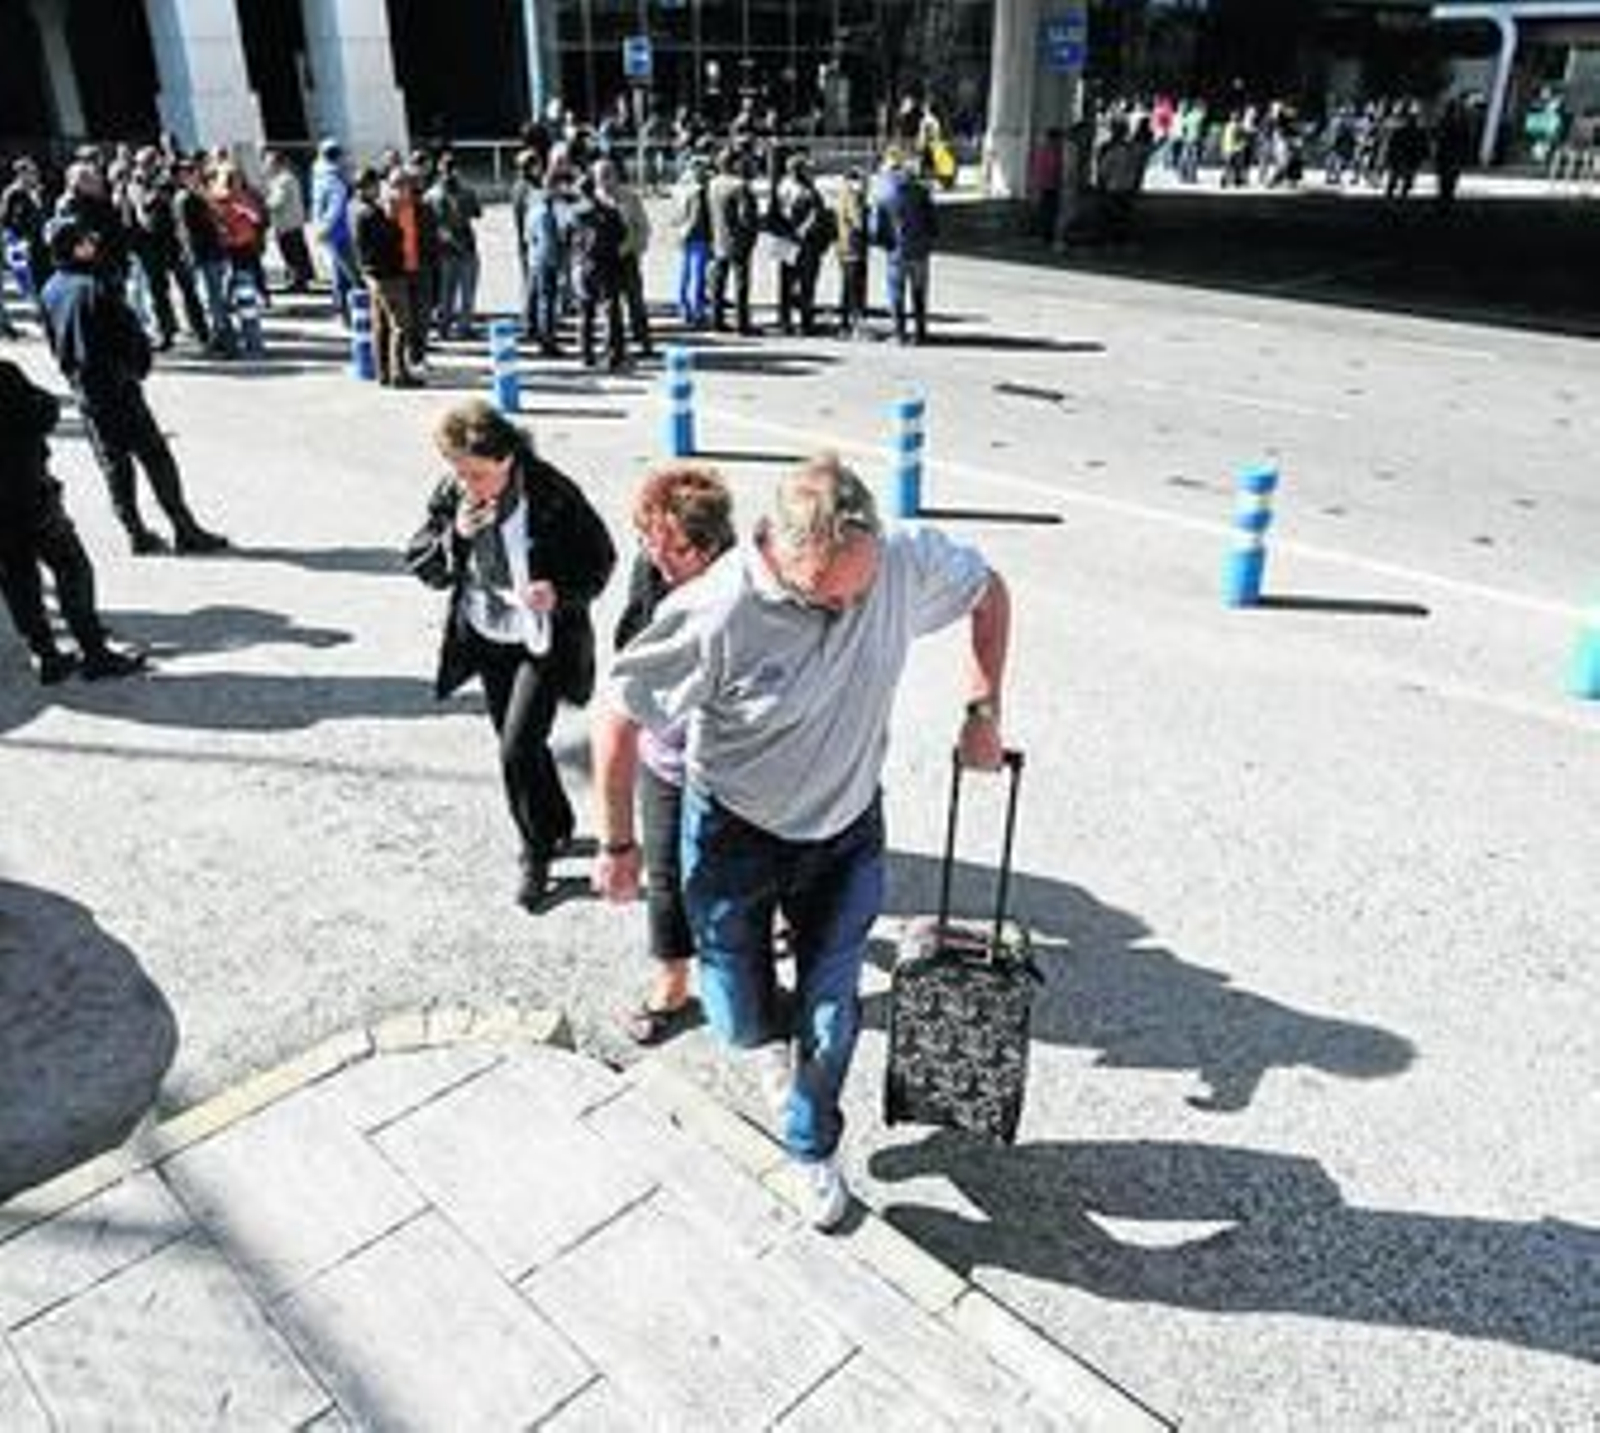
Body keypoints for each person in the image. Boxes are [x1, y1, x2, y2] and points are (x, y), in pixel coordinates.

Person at [592, 454, 1011, 1229]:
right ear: (778, 556)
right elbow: (617, 714)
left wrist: (983, 711)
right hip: (733, 836)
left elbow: (990, 591)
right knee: (738, 1018)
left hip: (847, 830)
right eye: (827, 596)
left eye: (862, 586)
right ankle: (772, 1040)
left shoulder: (899, 562)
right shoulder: (718, 610)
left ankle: (811, 1141)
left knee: (834, 1002)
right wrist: (618, 844)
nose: (852, 607)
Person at [406, 399, 616, 911]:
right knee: (521, 744)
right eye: (459, 473)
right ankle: (556, 825)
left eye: (478, 474)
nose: (468, 485)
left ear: (506, 460)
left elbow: (600, 560)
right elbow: (421, 561)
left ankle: (535, 851)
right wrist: (456, 535)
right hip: (485, 633)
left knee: (517, 748)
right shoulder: (455, 494)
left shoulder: (551, 493)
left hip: (541, 638)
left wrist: (559, 592)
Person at [611, 463, 737, 1044]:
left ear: (711, 546)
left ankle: (748, 972)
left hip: (735, 764)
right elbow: (628, 655)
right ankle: (672, 980)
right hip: (666, 753)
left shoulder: (747, 583)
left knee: (741, 873)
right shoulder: (652, 568)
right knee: (664, 870)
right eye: (647, 543)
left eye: (675, 551)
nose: (658, 561)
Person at [39, 216, 228, 556]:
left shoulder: (50, 288)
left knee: (115, 465)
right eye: (85, 240)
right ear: (73, 246)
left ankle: (136, 532)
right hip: (117, 387)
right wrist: (136, 369)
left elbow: (54, 343)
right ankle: (184, 528)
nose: (92, 244)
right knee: (155, 456)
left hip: (85, 390)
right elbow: (129, 337)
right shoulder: (95, 285)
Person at [0, 357, 146, 684]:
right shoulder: (4, 374)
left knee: (17, 577)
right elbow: (45, 411)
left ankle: (44, 653)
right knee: (72, 567)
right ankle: (93, 650)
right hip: (27, 493)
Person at [870, 149, 937, 347]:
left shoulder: (884, 194)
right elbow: (933, 222)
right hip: (920, 251)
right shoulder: (922, 192)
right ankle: (920, 332)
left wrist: (883, 244)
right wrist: (928, 241)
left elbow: (875, 228)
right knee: (919, 292)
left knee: (896, 292)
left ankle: (899, 333)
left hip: (896, 252)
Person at [706, 148, 759, 335]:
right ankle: (742, 324)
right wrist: (752, 234)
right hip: (738, 241)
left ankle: (716, 320)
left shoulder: (713, 184)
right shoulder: (740, 186)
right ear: (734, 164)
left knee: (718, 282)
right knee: (741, 284)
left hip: (719, 238)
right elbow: (747, 217)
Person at [262, 149, 316, 293]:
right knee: (298, 252)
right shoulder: (288, 177)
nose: (266, 167)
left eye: (268, 163)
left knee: (292, 254)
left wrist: (264, 202)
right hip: (293, 222)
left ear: (276, 164)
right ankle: (301, 279)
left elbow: (277, 202)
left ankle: (299, 282)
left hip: (287, 224)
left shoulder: (282, 180)